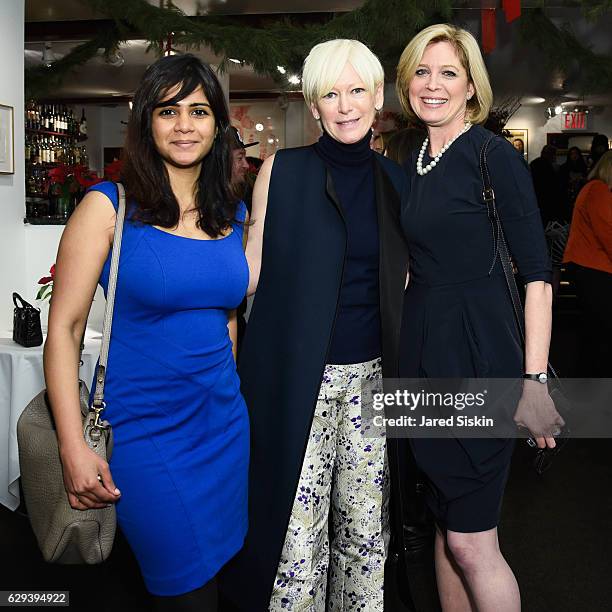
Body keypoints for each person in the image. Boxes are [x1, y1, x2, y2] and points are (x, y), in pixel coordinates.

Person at [43, 54, 249, 611]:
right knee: (186, 593)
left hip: (225, 428)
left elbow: (226, 316)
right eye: (169, 111)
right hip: (147, 436)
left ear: (217, 124)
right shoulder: (107, 206)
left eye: (199, 111)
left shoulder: (232, 213)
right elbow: (62, 330)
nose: (184, 125)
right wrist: (72, 447)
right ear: (146, 122)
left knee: (221, 579)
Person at [220, 39, 410, 611]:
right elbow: (248, 269)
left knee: (364, 537)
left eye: (357, 91)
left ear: (378, 98)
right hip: (296, 380)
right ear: (313, 104)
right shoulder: (282, 171)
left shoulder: (397, 184)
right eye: (331, 93)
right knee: (295, 543)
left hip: (374, 384)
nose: (345, 105)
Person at [396, 24, 556, 611]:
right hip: (423, 357)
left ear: (471, 89)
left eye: (448, 74)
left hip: (478, 355)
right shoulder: (410, 157)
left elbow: (537, 275)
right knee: (443, 525)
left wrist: (534, 383)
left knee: (471, 540)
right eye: (422, 71)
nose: (432, 85)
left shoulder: (493, 157)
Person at [563, 150, 612, 377]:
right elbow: (608, 232)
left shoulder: (593, 188)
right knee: (599, 334)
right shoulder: (599, 190)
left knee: (593, 331)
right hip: (595, 268)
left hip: (588, 267)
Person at [530, 144, 563, 226]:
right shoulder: (550, 167)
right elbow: (553, 185)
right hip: (548, 200)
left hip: (536, 198)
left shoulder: (534, 163)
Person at [559, 146, 588, 219]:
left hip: (581, 193)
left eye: (576, 154)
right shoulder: (564, 167)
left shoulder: (583, 167)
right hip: (568, 194)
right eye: (572, 154)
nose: (574, 156)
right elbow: (562, 182)